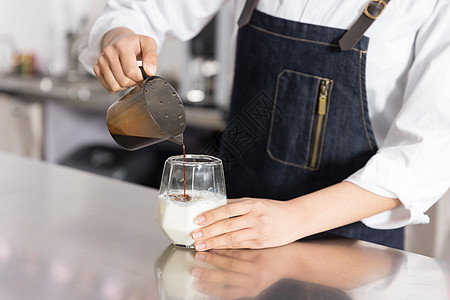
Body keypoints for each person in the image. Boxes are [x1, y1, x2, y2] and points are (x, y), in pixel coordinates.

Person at [80, 0, 450, 251]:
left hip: (352, 248)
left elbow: (428, 154)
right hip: (226, 231)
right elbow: (140, 9)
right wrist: (119, 37)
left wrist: (293, 218)